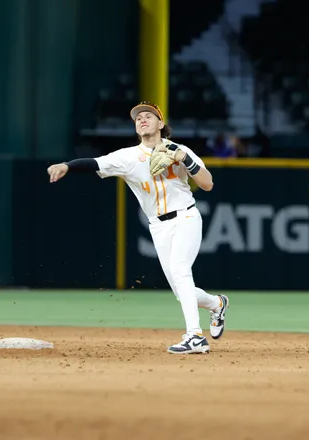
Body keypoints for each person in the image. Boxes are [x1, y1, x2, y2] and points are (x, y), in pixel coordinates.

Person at [47, 101, 229, 354]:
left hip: (186, 217)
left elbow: (207, 183)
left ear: (161, 124)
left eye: (149, 116)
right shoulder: (128, 157)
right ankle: (217, 303)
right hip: (158, 226)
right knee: (181, 290)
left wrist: (184, 159)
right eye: (138, 118)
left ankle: (195, 336)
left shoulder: (180, 149)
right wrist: (67, 166)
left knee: (180, 271)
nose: (142, 119)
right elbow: (95, 163)